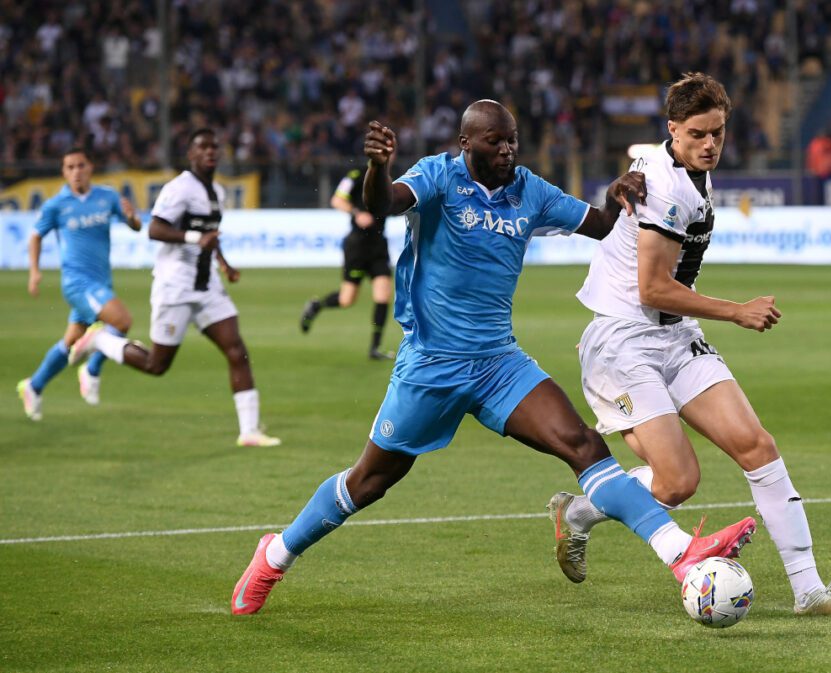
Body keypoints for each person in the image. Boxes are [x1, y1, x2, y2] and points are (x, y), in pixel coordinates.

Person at [229, 101, 756, 615]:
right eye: (494, 141)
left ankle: (681, 555)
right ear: (466, 144)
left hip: (499, 363)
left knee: (583, 444)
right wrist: (378, 166)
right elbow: (382, 203)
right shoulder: (438, 176)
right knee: (368, 482)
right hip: (431, 366)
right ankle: (275, 555)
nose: (506, 150)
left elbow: (597, 225)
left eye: (512, 141)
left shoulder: (530, 189)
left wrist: (618, 195)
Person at [546, 73, 831, 617]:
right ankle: (580, 512)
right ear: (673, 129)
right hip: (624, 341)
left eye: (717, 132)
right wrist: (736, 311)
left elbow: (646, 172)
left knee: (757, 446)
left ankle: (809, 589)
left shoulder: (681, 169)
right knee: (678, 483)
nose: (710, 144)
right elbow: (651, 287)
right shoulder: (666, 186)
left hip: (674, 335)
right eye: (697, 134)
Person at [69, 129, 280, 448]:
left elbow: (210, 233)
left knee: (237, 351)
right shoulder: (179, 188)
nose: (210, 152)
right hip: (175, 284)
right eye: (202, 147)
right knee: (157, 365)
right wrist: (195, 239)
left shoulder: (217, 192)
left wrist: (223, 262)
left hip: (207, 284)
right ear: (191, 155)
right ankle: (100, 339)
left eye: (214, 147)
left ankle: (248, 431)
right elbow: (154, 228)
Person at [17, 147, 141, 420]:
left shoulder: (107, 197)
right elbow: (36, 237)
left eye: (80, 165)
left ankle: (34, 386)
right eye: (70, 167)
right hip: (77, 283)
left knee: (71, 342)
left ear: (90, 168)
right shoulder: (56, 205)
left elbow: (135, 225)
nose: (76, 172)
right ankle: (92, 369)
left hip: (100, 282)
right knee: (121, 321)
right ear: (63, 172)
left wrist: (132, 218)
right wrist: (34, 272)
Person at [298, 165, 395, 360]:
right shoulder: (356, 175)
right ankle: (316, 306)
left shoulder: (391, 177)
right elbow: (337, 200)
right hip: (357, 246)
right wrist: (356, 213)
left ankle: (375, 347)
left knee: (383, 294)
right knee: (346, 299)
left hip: (378, 245)